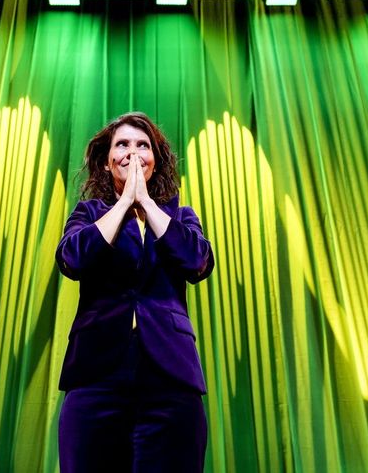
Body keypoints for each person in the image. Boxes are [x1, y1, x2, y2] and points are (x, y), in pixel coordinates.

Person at [55, 111, 215, 473]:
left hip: (170, 375)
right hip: (96, 374)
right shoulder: (89, 213)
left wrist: (148, 205)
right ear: (108, 161)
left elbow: (198, 263)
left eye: (142, 145)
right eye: (122, 145)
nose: (132, 152)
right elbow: (72, 260)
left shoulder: (180, 216)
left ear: (155, 161)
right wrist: (125, 203)